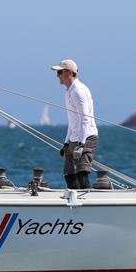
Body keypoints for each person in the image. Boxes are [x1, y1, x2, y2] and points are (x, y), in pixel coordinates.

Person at [51, 59, 98, 189]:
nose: (57, 76)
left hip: (86, 136)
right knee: (68, 173)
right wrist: (66, 143)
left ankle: (85, 203)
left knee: (82, 172)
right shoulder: (68, 91)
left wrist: (82, 144)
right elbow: (73, 122)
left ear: (68, 73)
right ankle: (74, 200)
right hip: (75, 137)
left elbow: (85, 119)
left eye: (59, 72)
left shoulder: (78, 91)